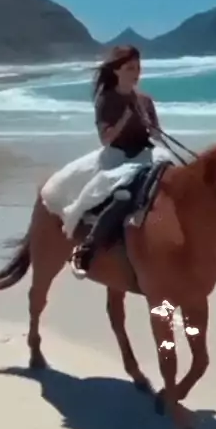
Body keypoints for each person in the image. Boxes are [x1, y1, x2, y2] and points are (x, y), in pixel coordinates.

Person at [70, 44, 165, 279]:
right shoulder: (106, 99)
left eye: (138, 68)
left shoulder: (145, 100)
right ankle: (88, 247)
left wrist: (152, 126)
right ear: (116, 71)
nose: (136, 73)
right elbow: (105, 139)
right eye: (130, 68)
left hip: (145, 153)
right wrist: (125, 118)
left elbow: (157, 134)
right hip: (118, 156)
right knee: (125, 196)